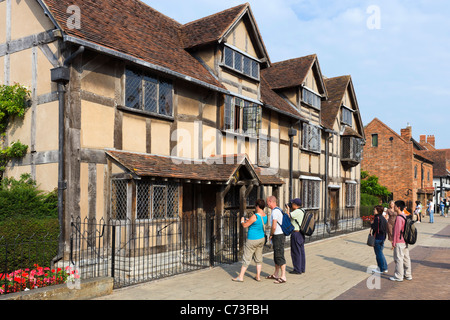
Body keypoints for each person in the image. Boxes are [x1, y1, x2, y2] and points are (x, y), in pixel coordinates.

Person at [232, 199, 268, 282]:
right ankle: (258, 276)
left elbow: (245, 225)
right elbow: (257, 223)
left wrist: (242, 221)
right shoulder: (265, 215)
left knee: (246, 258)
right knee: (258, 258)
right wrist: (250, 220)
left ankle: (240, 277)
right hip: (261, 238)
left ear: (258, 206)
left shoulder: (255, 216)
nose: (255, 207)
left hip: (252, 239)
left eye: (255, 206)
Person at [390, 200, 412, 282]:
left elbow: (396, 231)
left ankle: (398, 276)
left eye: (395, 206)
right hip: (405, 241)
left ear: (398, 207)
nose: (394, 207)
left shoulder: (399, 217)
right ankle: (408, 274)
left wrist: (393, 243)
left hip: (399, 241)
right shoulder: (405, 216)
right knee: (406, 258)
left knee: (399, 258)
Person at [266, 195, 287, 284]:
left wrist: (271, 234)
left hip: (278, 235)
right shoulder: (279, 210)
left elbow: (274, 226)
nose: (267, 204)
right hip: (279, 235)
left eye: (267, 202)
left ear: (271, 201)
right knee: (276, 255)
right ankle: (276, 274)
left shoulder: (275, 212)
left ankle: (283, 276)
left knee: (279, 255)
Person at [286, 198, 305, 275]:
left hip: (296, 233)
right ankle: (302, 268)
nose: (291, 205)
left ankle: (297, 269)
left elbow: (288, 216)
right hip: (301, 233)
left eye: (292, 203)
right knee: (301, 251)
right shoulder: (302, 210)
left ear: (295, 205)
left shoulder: (297, 211)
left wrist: (288, 209)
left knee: (295, 252)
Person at [370, 205, 388, 274]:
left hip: (377, 237)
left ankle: (380, 269)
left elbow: (375, 227)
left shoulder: (377, 218)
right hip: (382, 237)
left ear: (378, 211)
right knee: (381, 253)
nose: (374, 211)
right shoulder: (383, 218)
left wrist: (371, 224)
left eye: (375, 210)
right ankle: (385, 267)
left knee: (378, 254)